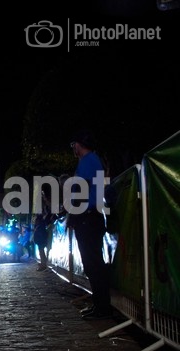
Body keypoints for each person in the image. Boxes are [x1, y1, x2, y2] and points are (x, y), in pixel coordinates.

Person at [67, 129, 112, 320]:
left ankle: (103, 308)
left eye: (73, 145)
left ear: (78, 144)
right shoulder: (91, 160)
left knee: (93, 263)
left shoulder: (88, 161)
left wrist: (73, 214)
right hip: (89, 216)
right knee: (92, 263)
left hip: (88, 217)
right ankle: (100, 305)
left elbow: (81, 190)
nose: (73, 149)